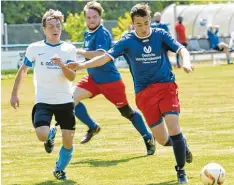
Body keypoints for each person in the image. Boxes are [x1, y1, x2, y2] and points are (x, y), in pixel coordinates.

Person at [67, 3, 193, 184]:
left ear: (150, 21)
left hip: (166, 86)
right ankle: (182, 145)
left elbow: (182, 49)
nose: (143, 28)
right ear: (133, 24)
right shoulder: (127, 41)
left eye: (146, 23)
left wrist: (186, 62)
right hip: (144, 94)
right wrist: (82, 65)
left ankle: (181, 172)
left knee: (173, 126)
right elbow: (104, 57)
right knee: (163, 139)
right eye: (139, 24)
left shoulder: (160, 35)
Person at [73, 1, 155, 155]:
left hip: (110, 81)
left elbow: (101, 54)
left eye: (94, 17)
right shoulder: (87, 33)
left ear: (100, 18)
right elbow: (90, 58)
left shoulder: (103, 33)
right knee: (69, 100)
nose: (91, 20)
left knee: (126, 112)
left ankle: (148, 136)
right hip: (92, 79)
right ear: (85, 19)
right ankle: (92, 127)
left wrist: (81, 52)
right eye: (89, 17)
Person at [10, 9, 76, 180]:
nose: (55, 29)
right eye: (51, 26)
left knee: (68, 141)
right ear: (44, 29)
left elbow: (72, 76)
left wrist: (62, 65)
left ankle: (59, 169)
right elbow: (23, 70)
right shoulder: (35, 48)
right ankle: (51, 135)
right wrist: (14, 94)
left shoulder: (69, 49)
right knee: (42, 135)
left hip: (65, 100)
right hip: (44, 100)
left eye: (58, 26)